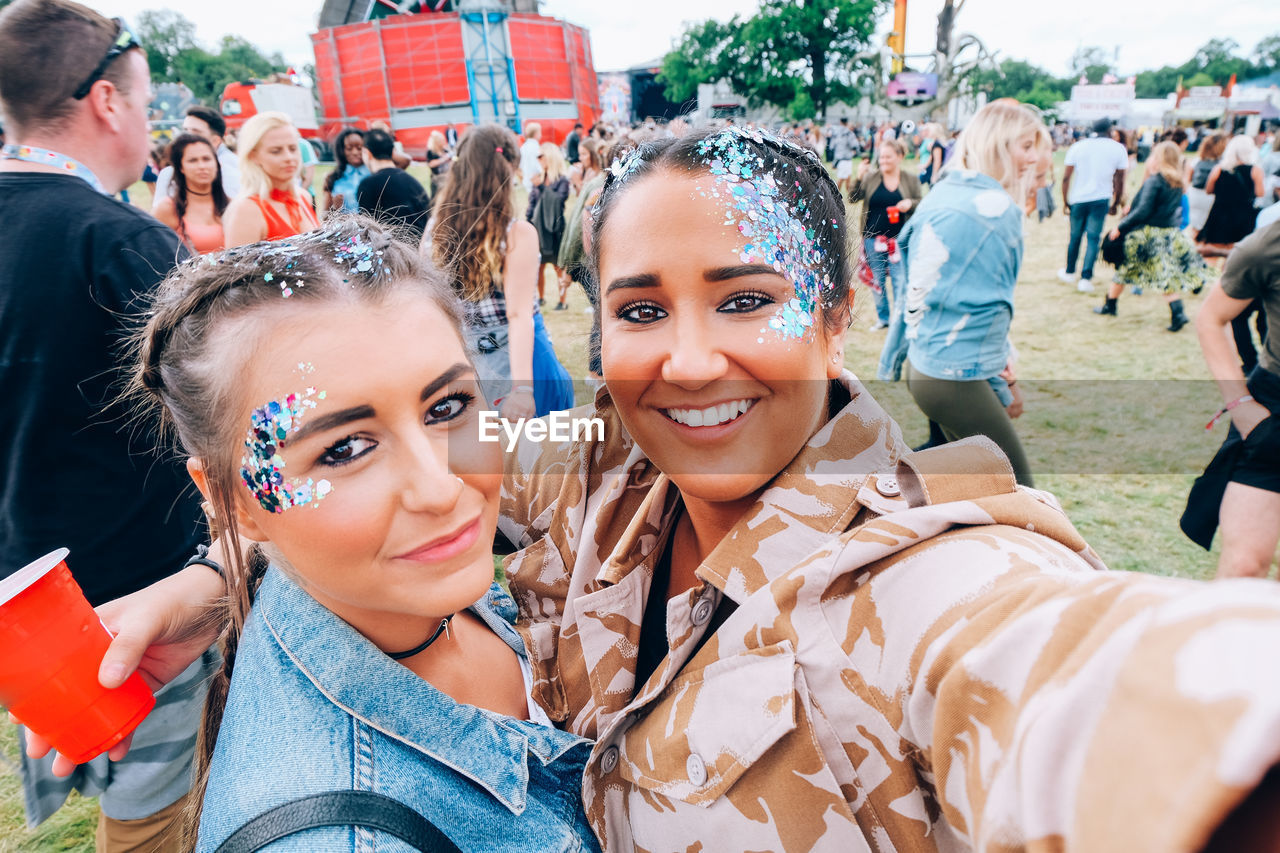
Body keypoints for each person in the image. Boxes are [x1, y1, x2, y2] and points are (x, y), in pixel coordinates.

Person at [59, 123, 1280, 852]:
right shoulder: (596, 460)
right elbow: (351, 463)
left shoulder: (921, 569)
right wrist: (212, 577)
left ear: (842, 314)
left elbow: (1063, 670)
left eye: (745, 298)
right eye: (643, 309)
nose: (689, 358)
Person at [120, 218, 599, 852]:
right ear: (234, 501)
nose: (440, 487)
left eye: (448, 407)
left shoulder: (392, 583)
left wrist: (214, 577)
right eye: (344, 449)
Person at [0, 1, 215, 848]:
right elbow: (248, 427)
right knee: (155, 819)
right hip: (150, 593)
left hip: (27, 591)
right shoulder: (120, 241)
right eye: (149, 103)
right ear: (106, 103)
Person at [879, 101, 1041, 487]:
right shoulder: (996, 210)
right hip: (955, 376)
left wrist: (892, 359)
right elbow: (991, 312)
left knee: (959, 487)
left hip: (926, 368)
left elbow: (915, 295)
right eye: (1026, 146)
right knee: (1019, 492)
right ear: (997, 144)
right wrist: (1007, 388)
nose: (1033, 159)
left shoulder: (945, 193)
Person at [423, 124, 572, 419]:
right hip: (520, 359)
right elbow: (519, 316)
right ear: (506, 171)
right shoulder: (516, 234)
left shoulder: (434, 229)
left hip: (468, 358)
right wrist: (523, 390)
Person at [1185, 218, 1280, 580]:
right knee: (1244, 569)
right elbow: (1211, 318)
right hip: (1271, 416)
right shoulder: (1267, 246)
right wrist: (1241, 406)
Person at [1093, 140, 1214, 330]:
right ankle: (1175, 311)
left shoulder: (1155, 181)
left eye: (1153, 156)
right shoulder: (1176, 182)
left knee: (1138, 271)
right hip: (1166, 233)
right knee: (1146, 271)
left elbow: (1144, 211)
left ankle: (1114, 305)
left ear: (1159, 159)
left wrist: (1121, 227)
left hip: (1147, 235)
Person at [850, 137, 924, 331]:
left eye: (888, 157)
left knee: (901, 281)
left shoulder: (910, 179)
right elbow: (853, 198)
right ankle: (884, 319)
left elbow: (920, 203)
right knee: (878, 281)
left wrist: (910, 204)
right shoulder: (871, 178)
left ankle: (900, 319)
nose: (883, 161)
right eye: (881, 157)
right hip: (873, 239)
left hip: (900, 240)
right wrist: (858, 176)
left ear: (899, 157)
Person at [223, 111, 319, 247]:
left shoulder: (303, 198)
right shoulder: (246, 210)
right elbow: (235, 267)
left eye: (293, 148)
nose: (289, 157)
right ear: (253, 156)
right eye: (276, 151)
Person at [1058, 117, 1128, 293]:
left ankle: (1069, 271)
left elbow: (1066, 177)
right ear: (1110, 130)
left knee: (1075, 236)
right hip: (1101, 199)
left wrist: (1065, 199)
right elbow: (1119, 179)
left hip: (1078, 197)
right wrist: (1116, 202)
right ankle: (1086, 277)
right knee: (1093, 238)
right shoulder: (1117, 149)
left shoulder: (1079, 146)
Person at [152, 132, 228, 254]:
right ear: (181, 168)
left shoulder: (232, 205)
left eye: (206, 159)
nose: (202, 166)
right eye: (193, 161)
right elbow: (154, 254)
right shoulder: (168, 208)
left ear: (216, 163)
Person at [355, 127, 431, 239]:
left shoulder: (368, 185)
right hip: (419, 251)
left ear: (367, 153)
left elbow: (368, 230)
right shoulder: (412, 181)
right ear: (392, 151)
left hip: (394, 253)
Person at [153, 104, 240, 201]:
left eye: (196, 132)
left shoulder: (232, 171)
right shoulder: (168, 174)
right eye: (185, 131)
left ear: (215, 141)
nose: (187, 137)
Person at [1198, 135, 1266, 257]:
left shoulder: (1219, 169)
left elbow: (1208, 190)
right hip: (1243, 216)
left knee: (1213, 252)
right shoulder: (1255, 170)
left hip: (1219, 214)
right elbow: (1260, 193)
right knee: (1236, 253)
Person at [527, 142, 571, 310]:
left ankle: (562, 301)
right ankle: (541, 298)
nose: (538, 160)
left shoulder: (561, 180)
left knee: (558, 265)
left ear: (550, 157)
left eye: (541, 156)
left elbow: (559, 201)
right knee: (538, 265)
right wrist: (528, 220)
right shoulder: (539, 177)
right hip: (538, 228)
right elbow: (532, 202)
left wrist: (541, 187)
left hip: (555, 228)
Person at [318, 127, 368, 216]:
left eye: (359, 148)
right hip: (344, 228)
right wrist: (335, 208)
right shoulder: (332, 178)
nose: (355, 152)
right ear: (341, 151)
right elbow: (324, 215)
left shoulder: (375, 174)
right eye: (349, 148)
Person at [1187, 132, 1227, 236]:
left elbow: (1189, 179)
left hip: (1194, 195)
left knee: (1195, 227)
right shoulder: (1223, 164)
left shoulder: (1197, 161)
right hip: (1211, 197)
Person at [831, 116, 857, 195]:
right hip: (846, 158)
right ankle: (835, 195)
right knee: (842, 178)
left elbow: (831, 146)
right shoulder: (849, 133)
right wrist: (854, 151)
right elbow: (854, 144)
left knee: (847, 178)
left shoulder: (835, 132)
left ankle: (849, 196)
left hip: (838, 158)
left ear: (840, 122)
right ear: (847, 122)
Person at [519, 121, 542, 190]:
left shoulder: (523, 147)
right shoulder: (536, 147)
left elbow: (520, 164)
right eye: (540, 132)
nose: (541, 135)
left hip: (526, 179)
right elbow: (538, 163)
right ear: (536, 134)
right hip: (536, 178)